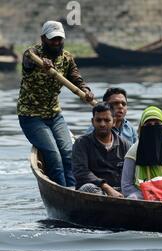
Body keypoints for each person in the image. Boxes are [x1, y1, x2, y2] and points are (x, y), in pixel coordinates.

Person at [17, 21, 94, 187]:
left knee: (68, 153)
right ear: (43, 38)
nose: (56, 43)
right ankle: (63, 192)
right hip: (31, 116)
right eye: (53, 39)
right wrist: (42, 63)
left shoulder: (66, 58)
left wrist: (86, 90)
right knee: (54, 157)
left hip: (54, 115)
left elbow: (76, 79)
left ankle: (75, 190)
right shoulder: (32, 55)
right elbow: (27, 63)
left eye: (59, 39)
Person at [121, 106, 162, 200]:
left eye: (157, 124)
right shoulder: (133, 152)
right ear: (142, 128)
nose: (153, 127)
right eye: (148, 125)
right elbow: (126, 186)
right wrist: (148, 195)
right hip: (142, 196)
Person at [72, 103, 130, 197]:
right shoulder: (81, 143)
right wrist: (106, 187)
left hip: (119, 192)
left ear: (114, 122)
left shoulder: (124, 144)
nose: (102, 124)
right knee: (89, 188)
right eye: (98, 120)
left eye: (107, 120)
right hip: (94, 189)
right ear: (92, 121)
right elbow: (81, 172)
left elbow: (131, 173)